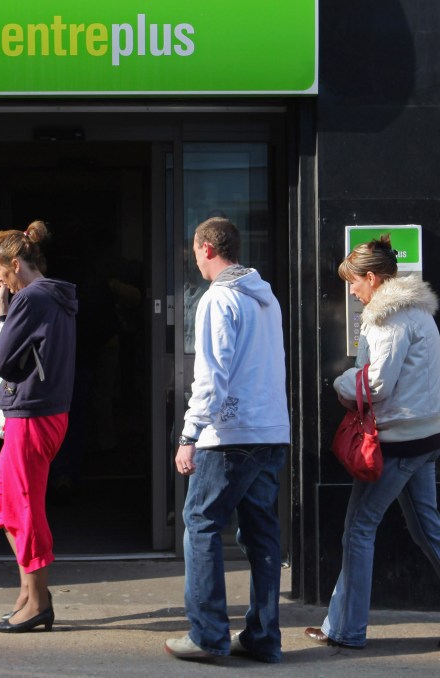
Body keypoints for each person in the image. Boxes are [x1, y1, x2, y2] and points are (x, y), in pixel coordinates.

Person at [304, 235, 440, 651]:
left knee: (359, 529)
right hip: (426, 436)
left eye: (354, 283)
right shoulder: (417, 312)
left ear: (372, 279)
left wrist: (340, 383)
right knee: (429, 530)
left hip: (397, 442)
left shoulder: (386, 319)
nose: (352, 292)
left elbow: (375, 384)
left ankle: (345, 629)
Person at [164, 217, 290, 663]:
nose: (194, 259)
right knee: (261, 536)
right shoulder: (265, 296)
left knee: (200, 524)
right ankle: (262, 637)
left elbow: (211, 375)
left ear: (206, 248)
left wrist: (189, 434)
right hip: (270, 429)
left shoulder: (217, 299)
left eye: (195, 251)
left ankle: (208, 635)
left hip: (230, 435)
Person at [0, 220, 78, 633]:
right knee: (1, 500)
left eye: (1, 271)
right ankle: (29, 591)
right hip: (44, 412)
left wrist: (1, 311)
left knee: (22, 505)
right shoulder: (53, 295)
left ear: (17, 264)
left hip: (32, 414)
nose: (0, 279)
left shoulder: (31, 299)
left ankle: (37, 601)